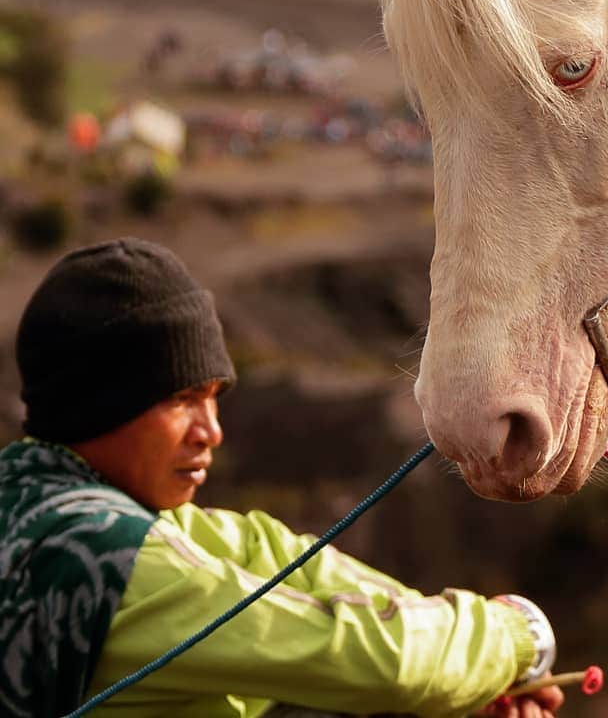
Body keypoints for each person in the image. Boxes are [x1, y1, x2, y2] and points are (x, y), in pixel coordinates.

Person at [0, 238, 564, 718]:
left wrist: (462, 675)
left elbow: (265, 552)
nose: (210, 432)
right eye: (182, 400)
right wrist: (516, 635)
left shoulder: (28, 502)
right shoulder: (112, 562)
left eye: (214, 399)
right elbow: (376, 661)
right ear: (99, 404)